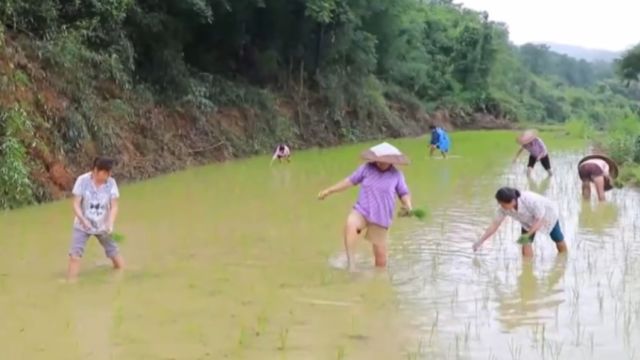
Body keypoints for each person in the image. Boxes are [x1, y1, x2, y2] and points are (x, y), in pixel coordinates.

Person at [318, 142, 413, 271]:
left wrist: (408, 205)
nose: (380, 162)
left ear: (391, 161)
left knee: (381, 262)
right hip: (363, 211)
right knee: (350, 224)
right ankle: (351, 265)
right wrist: (329, 190)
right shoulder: (367, 168)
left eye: (383, 161)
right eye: (378, 159)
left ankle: (377, 283)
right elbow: (349, 181)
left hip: (381, 217)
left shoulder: (396, 175)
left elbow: (403, 193)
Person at [67, 156, 124, 280]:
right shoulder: (82, 181)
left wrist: (110, 223)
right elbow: (76, 204)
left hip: (103, 226)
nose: (107, 176)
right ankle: (71, 282)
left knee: (114, 253)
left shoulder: (111, 183)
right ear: (95, 170)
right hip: (82, 225)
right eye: (104, 173)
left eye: (109, 173)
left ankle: (121, 274)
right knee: (75, 255)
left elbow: (114, 206)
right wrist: (83, 220)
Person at [472, 187, 567, 258]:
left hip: (547, 215)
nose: (501, 206)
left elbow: (539, 220)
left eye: (503, 204)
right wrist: (480, 241)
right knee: (526, 242)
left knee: (557, 238)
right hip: (527, 220)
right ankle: (527, 268)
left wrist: (527, 235)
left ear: (513, 201)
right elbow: (494, 225)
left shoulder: (530, 200)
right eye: (500, 203)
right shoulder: (503, 209)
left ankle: (564, 259)